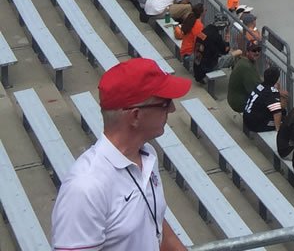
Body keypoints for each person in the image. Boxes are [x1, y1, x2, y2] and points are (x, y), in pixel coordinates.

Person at [50, 58, 191, 251]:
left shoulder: (147, 155)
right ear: (135, 116)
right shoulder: (85, 188)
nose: (173, 109)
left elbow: (152, 222)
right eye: (165, 104)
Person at [243, 64, 286, 135]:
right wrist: (278, 130)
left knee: (282, 111)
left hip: (247, 118)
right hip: (255, 125)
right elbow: (277, 113)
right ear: (276, 79)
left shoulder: (259, 86)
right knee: (283, 120)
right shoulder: (271, 93)